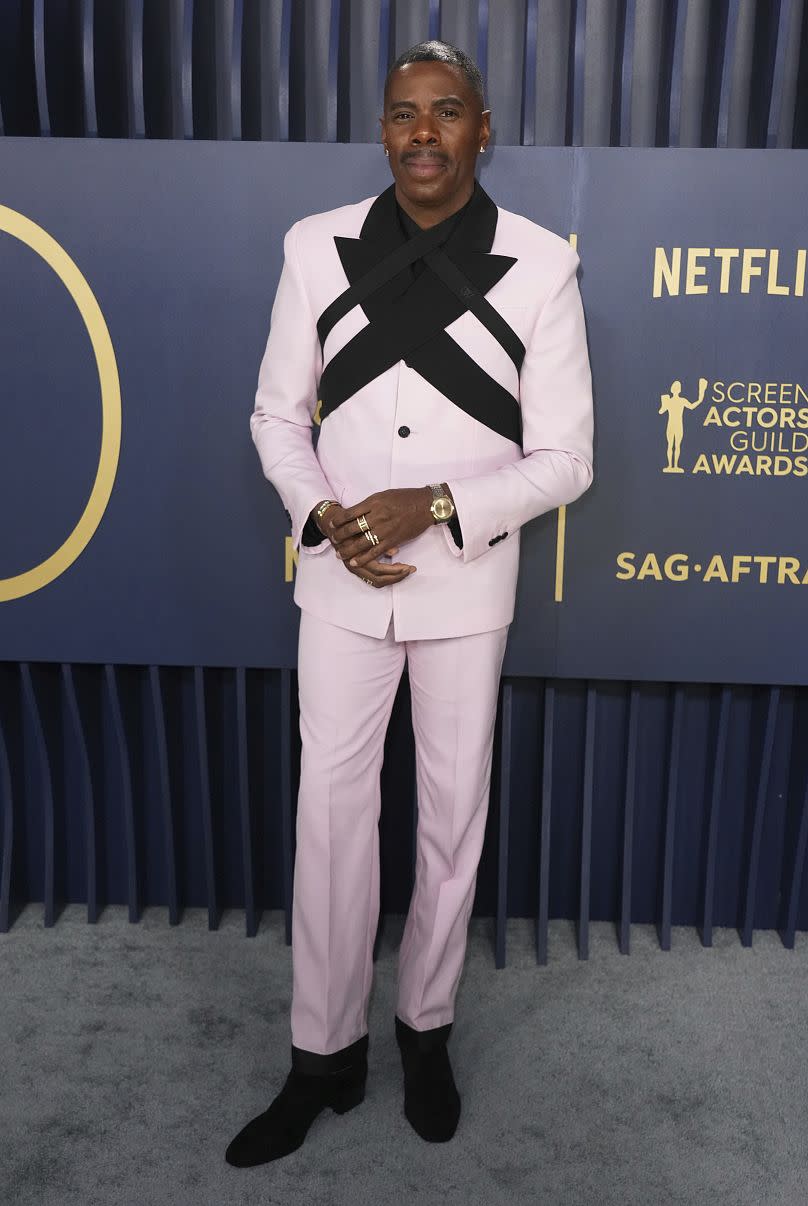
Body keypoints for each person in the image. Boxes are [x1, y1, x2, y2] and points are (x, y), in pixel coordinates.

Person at [225, 39, 593, 1168]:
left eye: (445, 112)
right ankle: (320, 1054)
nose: (421, 132)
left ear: (484, 128)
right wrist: (322, 512)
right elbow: (276, 417)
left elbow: (566, 460)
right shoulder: (314, 248)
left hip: (464, 589)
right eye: (401, 114)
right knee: (329, 822)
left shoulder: (540, 265)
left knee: (446, 820)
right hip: (337, 582)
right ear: (382, 130)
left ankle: (423, 1029)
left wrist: (432, 501)